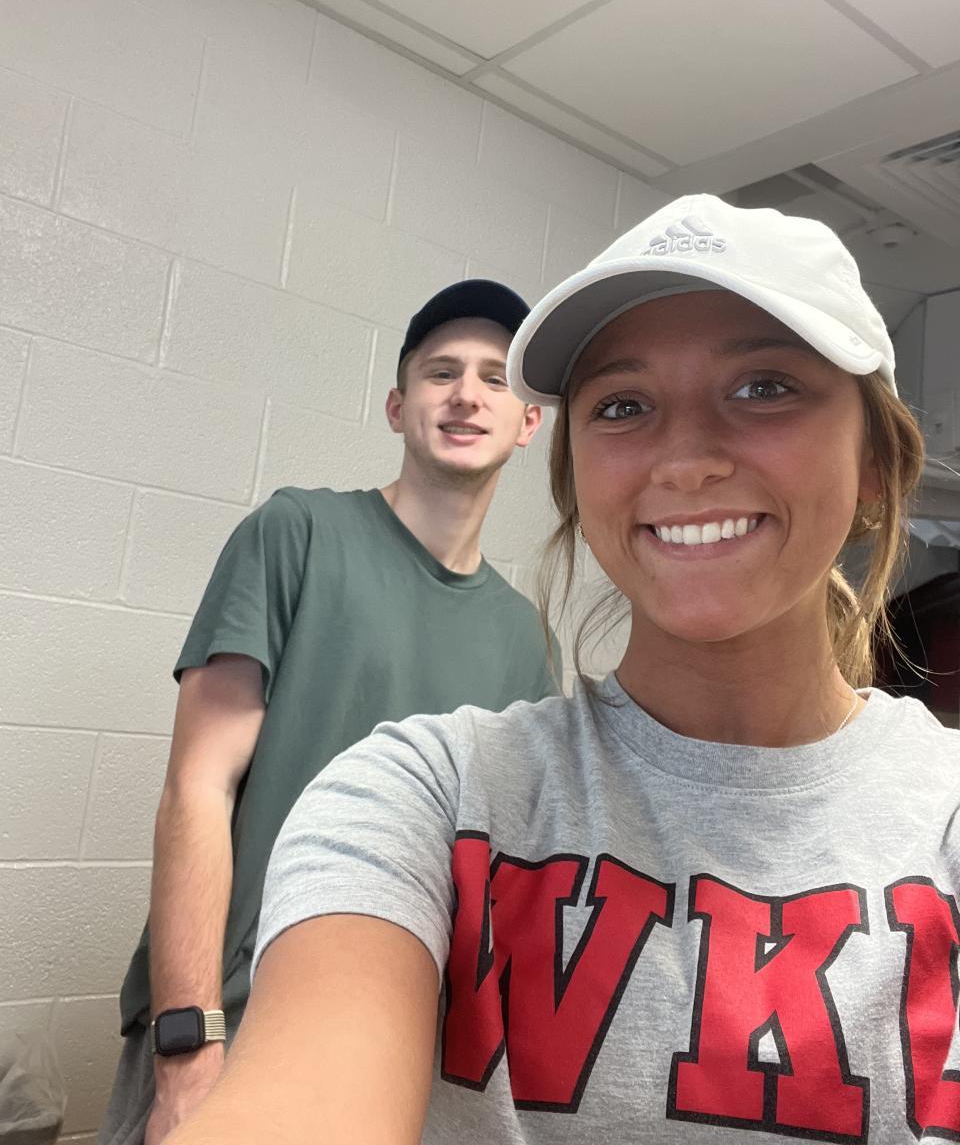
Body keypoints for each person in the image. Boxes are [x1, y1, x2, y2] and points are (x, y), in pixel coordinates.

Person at [168, 195, 959, 1145]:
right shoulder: (426, 790)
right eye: (623, 406)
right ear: (578, 475)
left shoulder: (943, 817)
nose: (686, 459)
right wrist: (188, 1034)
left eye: (764, 387)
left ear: (874, 461)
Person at [99, 279, 559, 1145]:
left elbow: (505, 886)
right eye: (441, 373)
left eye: (495, 378)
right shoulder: (296, 534)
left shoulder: (526, 640)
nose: (466, 394)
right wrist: (188, 1046)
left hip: (402, 1060)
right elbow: (197, 787)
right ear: (397, 406)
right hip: (232, 1027)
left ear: (528, 422)